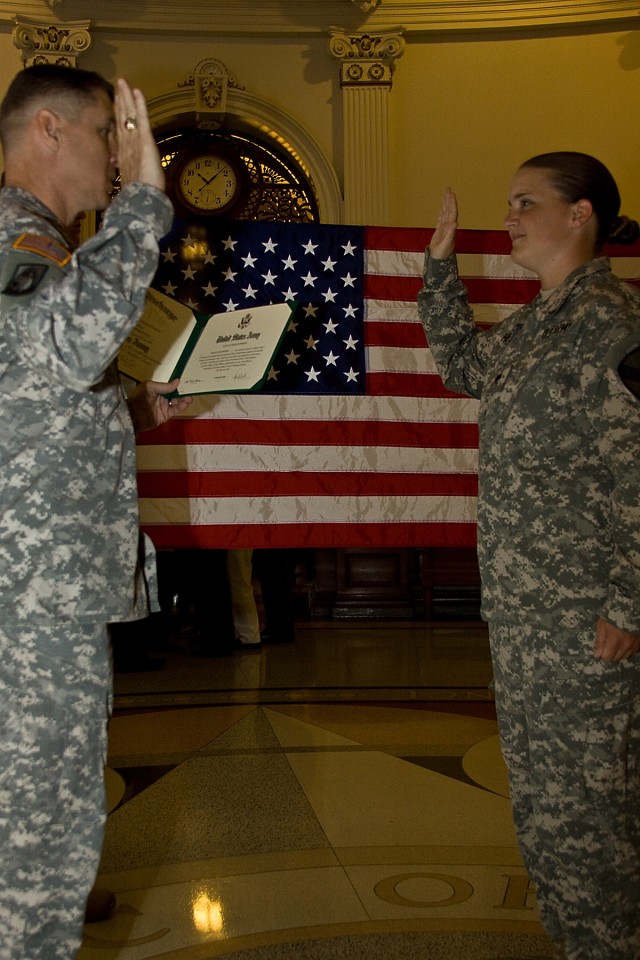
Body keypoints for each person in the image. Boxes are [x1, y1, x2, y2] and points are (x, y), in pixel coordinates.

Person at [418, 152, 640, 960]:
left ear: (580, 215)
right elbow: (463, 366)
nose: (507, 216)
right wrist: (440, 274)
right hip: (525, 615)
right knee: (548, 809)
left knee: (591, 816)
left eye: (525, 202)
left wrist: (630, 605)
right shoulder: (537, 322)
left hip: (586, 622)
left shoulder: (613, 328)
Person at [0, 64, 191, 959]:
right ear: (48, 129)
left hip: (33, 591)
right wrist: (146, 207)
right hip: (29, 604)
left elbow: (41, 388)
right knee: (40, 822)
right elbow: (71, 344)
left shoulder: (46, 250)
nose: (121, 159)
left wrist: (135, 404)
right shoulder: (16, 236)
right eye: (107, 136)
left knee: (32, 814)